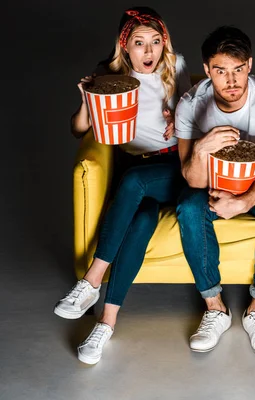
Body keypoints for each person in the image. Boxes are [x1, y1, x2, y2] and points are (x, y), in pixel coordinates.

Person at [53, 6, 191, 365]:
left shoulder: (175, 69)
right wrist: (87, 97)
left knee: (132, 181)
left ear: (165, 44)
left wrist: (179, 120)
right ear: (124, 46)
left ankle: (91, 280)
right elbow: (78, 129)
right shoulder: (108, 74)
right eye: (139, 43)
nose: (149, 52)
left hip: (173, 166)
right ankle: (106, 323)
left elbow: (196, 117)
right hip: (134, 168)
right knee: (142, 221)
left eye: (156, 42)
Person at [174, 26, 255, 355]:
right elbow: (193, 180)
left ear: (250, 65)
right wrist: (201, 150)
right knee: (187, 206)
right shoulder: (191, 104)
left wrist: (243, 201)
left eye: (238, 70)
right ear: (207, 69)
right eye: (221, 71)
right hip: (209, 184)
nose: (231, 81)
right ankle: (215, 308)